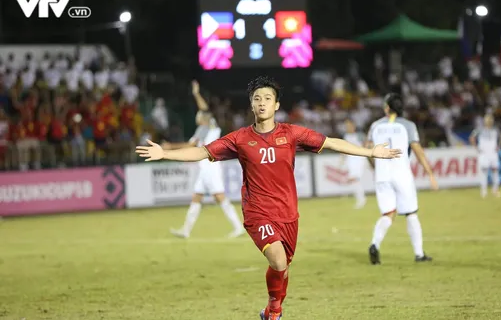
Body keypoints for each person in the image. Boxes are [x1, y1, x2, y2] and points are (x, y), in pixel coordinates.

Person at [136, 76, 401, 320]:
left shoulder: (291, 134)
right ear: (251, 105)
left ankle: (271, 309)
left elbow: (331, 142)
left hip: (288, 214)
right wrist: (165, 153)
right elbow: (203, 152)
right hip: (257, 212)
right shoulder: (239, 139)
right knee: (277, 259)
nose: (262, 103)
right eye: (257, 98)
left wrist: (370, 153)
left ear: (276, 105)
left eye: (267, 98)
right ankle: (275, 312)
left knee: (283, 268)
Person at [366, 93, 438, 265]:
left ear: (387, 107)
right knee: (411, 213)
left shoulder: (375, 126)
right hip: (401, 174)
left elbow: (367, 149)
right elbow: (418, 150)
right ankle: (419, 254)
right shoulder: (408, 125)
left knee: (388, 213)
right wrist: (430, 173)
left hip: (382, 175)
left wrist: (375, 167)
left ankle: (374, 244)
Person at [168, 80, 245, 238]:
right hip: (204, 168)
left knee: (219, 196)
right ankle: (186, 230)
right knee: (196, 197)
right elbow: (190, 145)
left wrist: (196, 94)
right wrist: (169, 147)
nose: (198, 115)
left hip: (210, 166)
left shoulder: (211, 126)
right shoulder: (200, 130)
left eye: (200, 114)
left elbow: (204, 109)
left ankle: (239, 227)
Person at [469, 114, 501, 198]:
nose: (489, 122)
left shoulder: (495, 129)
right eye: (488, 120)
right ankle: (483, 191)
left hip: (493, 153)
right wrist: (476, 147)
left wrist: (499, 147)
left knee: (495, 171)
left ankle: (495, 189)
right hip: (484, 154)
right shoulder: (479, 129)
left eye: (490, 120)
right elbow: (471, 137)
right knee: (484, 172)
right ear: (484, 121)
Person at [341, 118, 367, 209]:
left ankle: (361, 200)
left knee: (355, 179)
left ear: (353, 126)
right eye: (346, 126)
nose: (347, 127)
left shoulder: (359, 135)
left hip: (359, 159)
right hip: (350, 159)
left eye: (349, 125)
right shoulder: (346, 136)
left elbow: (366, 145)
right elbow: (344, 148)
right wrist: (343, 159)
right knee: (354, 180)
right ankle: (360, 199)